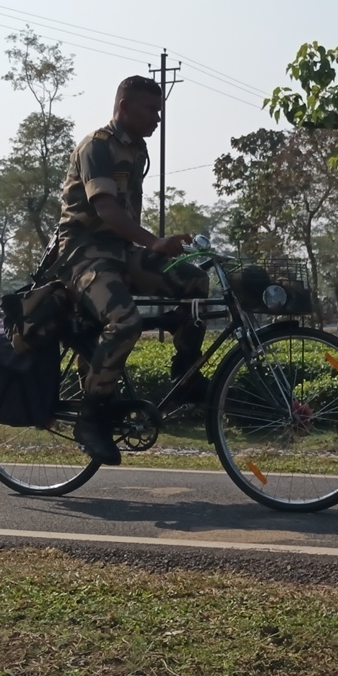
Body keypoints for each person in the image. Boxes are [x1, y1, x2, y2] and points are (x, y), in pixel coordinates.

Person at [54, 74, 211, 464]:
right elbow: (106, 210)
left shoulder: (137, 150)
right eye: (151, 110)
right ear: (124, 108)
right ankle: (91, 418)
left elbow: (126, 215)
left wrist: (147, 254)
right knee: (125, 322)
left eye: (160, 111)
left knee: (194, 281)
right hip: (85, 253)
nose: (157, 119)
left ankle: (186, 376)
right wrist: (154, 243)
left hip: (123, 252)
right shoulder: (98, 147)